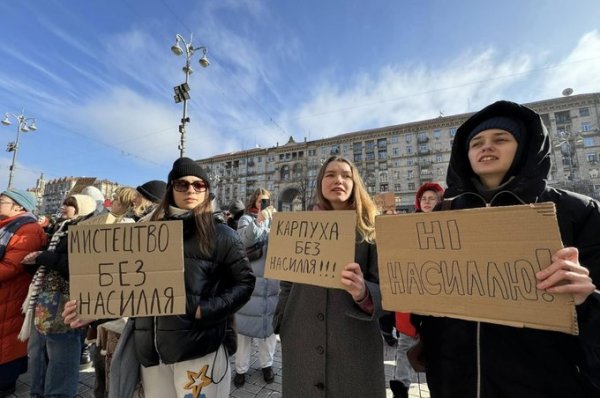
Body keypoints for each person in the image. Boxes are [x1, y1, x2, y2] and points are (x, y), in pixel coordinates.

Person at [413, 100, 600, 397]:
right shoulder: (441, 217)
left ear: (524, 146)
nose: (486, 147)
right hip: (453, 381)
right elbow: (425, 307)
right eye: (477, 143)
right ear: (465, 153)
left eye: (501, 139)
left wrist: (587, 299)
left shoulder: (576, 211)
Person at [64, 157, 255, 398]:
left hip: (199, 351)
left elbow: (245, 283)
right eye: (182, 184)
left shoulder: (222, 234)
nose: (191, 190)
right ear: (171, 189)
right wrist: (95, 311)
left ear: (207, 190)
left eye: (199, 185)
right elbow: (134, 289)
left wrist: (205, 309)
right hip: (153, 353)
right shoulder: (144, 233)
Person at [273, 155, 385, 397]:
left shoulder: (372, 229)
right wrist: (282, 316)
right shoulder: (300, 226)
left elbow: (389, 290)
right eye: (330, 174)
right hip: (301, 337)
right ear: (320, 183)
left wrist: (364, 293)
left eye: (346, 175)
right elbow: (287, 281)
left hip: (353, 344)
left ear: (355, 183)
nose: (339, 180)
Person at [19, 193, 97, 398]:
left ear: (83, 208)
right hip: (44, 299)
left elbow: (80, 267)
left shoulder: (87, 231)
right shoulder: (59, 229)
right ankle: (38, 393)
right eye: (64, 203)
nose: (64, 207)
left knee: (62, 359)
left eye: (70, 204)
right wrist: (34, 262)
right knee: (38, 354)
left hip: (67, 303)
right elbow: (47, 261)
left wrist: (44, 257)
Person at [388, 182, 444, 398]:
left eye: (432, 198)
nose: (427, 202)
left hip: (438, 299)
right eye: (423, 199)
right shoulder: (408, 224)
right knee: (404, 344)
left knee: (435, 348)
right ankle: (400, 387)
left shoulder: (449, 223)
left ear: (440, 200)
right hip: (411, 296)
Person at [0, 190, 47, 398]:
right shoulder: (8, 225)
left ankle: (6, 384)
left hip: (11, 294)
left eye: (2, 201)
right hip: (5, 294)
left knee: (7, 341)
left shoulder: (27, 229)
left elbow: (12, 266)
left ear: (18, 206)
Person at [232, 188, 279, 387]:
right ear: (254, 202)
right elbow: (244, 241)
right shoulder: (246, 220)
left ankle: (267, 365)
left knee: (268, 331)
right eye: (261, 201)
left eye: (267, 202)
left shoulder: (275, 220)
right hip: (251, 284)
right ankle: (241, 369)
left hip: (271, 283)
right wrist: (259, 219)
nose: (264, 205)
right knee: (243, 331)